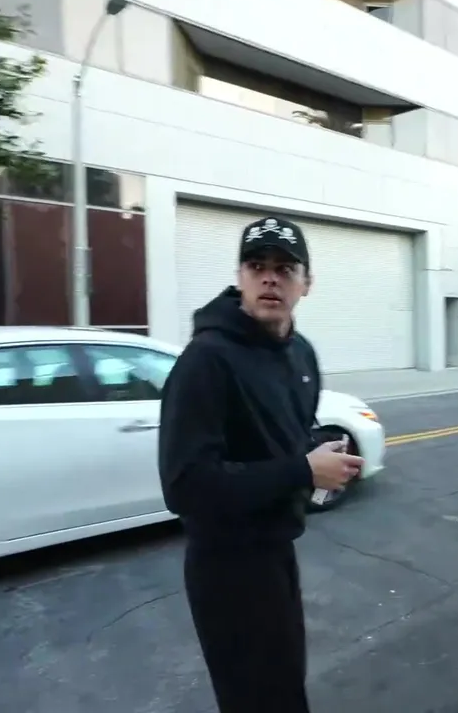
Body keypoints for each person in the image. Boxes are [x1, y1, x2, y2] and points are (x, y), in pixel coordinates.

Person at [158, 215, 364, 712]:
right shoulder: (206, 361)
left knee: (287, 688)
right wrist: (303, 471)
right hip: (227, 566)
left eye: (285, 268)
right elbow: (185, 486)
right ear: (240, 277)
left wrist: (315, 453)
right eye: (257, 266)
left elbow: (288, 432)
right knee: (257, 700)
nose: (270, 278)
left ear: (306, 284)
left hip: (277, 551)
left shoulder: (301, 354)